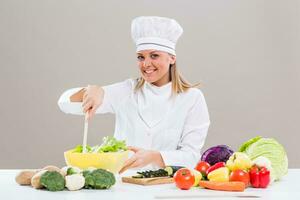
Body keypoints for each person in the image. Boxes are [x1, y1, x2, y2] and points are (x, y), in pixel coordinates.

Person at [58, 16, 210, 173]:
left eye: (154, 55)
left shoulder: (192, 98)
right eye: (140, 57)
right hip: (123, 187)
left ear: (172, 58)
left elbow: (191, 156)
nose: (146, 64)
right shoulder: (127, 91)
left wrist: (155, 157)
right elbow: (64, 103)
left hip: (167, 187)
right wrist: (91, 90)